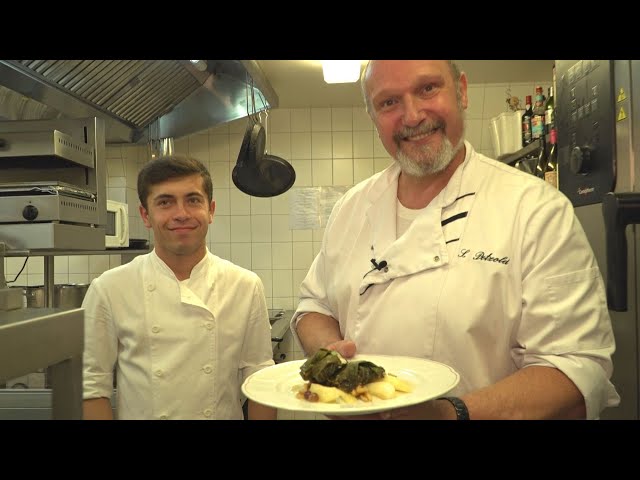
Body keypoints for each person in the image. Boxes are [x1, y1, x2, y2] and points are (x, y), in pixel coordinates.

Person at [290, 60, 620, 420]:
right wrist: (332, 357)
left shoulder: (536, 210)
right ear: (372, 116)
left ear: (461, 90)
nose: (412, 116)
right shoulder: (350, 209)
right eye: (389, 102)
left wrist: (452, 414)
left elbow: (575, 370)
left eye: (428, 89)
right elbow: (315, 306)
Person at [82, 154, 277, 420]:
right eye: (165, 202)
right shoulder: (109, 288)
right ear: (145, 215)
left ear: (211, 210)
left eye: (193, 200)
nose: (181, 214)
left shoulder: (244, 285)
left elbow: (260, 377)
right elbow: (91, 386)